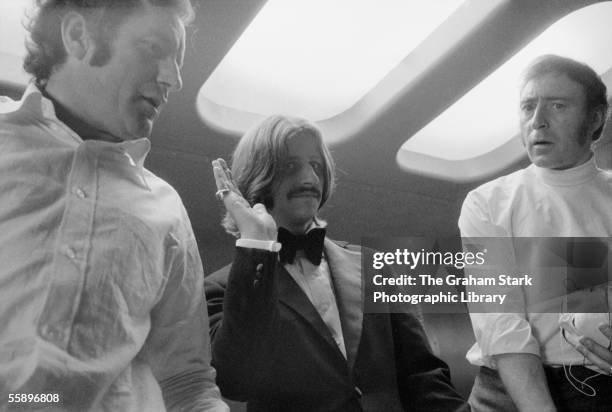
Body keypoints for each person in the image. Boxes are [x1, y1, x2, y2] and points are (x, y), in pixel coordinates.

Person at [0, 1, 227, 410]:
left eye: (176, 61)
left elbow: (188, 382)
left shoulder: (166, 208)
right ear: (78, 36)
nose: (173, 78)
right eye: (153, 47)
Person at [206, 115, 469, 411]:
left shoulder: (374, 265)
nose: (309, 179)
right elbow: (238, 380)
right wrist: (257, 244)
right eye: (291, 166)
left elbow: (423, 375)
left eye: (316, 166)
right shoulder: (222, 288)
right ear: (259, 175)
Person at [459, 55, 612, 411]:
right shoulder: (487, 202)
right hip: (506, 391)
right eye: (528, 106)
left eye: (558, 105)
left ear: (595, 118)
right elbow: (501, 322)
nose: (538, 121)